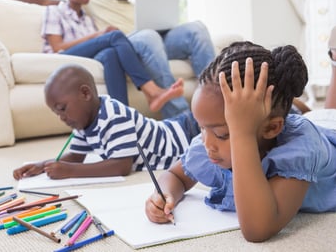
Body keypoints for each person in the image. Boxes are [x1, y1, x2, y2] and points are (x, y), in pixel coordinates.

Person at [144, 36, 336, 242]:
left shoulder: (299, 150)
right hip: (317, 123)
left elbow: (258, 229)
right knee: (326, 114)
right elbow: (176, 175)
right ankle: (327, 77)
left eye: (222, 134)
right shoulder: (212, 143)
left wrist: (241, 134)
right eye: (202, 128)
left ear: (271, 128)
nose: (206, 143)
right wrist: (164, 194)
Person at [13, 63, 201, 180]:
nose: (62, 117)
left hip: (185, 135)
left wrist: (70, 171)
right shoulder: (82, 121)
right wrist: (42, 165)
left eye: (63, 109)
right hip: (180, 129)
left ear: (85, 94)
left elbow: (121, 166)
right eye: (56, 113)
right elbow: (75, 156)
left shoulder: (114, 116)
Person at [42, 0, 183, 113]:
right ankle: (152, 92)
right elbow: (57, 47)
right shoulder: (54, 11)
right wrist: (97, 35)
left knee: (111, 54)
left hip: (85, 57)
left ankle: (122, 116)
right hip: (63, 56)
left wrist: (98, 36)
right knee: (115, 36)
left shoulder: (88, 18)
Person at [85, 0, 217, 117]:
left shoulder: (139, 6)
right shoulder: (93, 2)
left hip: (155, 41)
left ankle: (214, 104)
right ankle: (182, 119)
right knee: (149, 36)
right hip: (126, 45)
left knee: (197, 29)